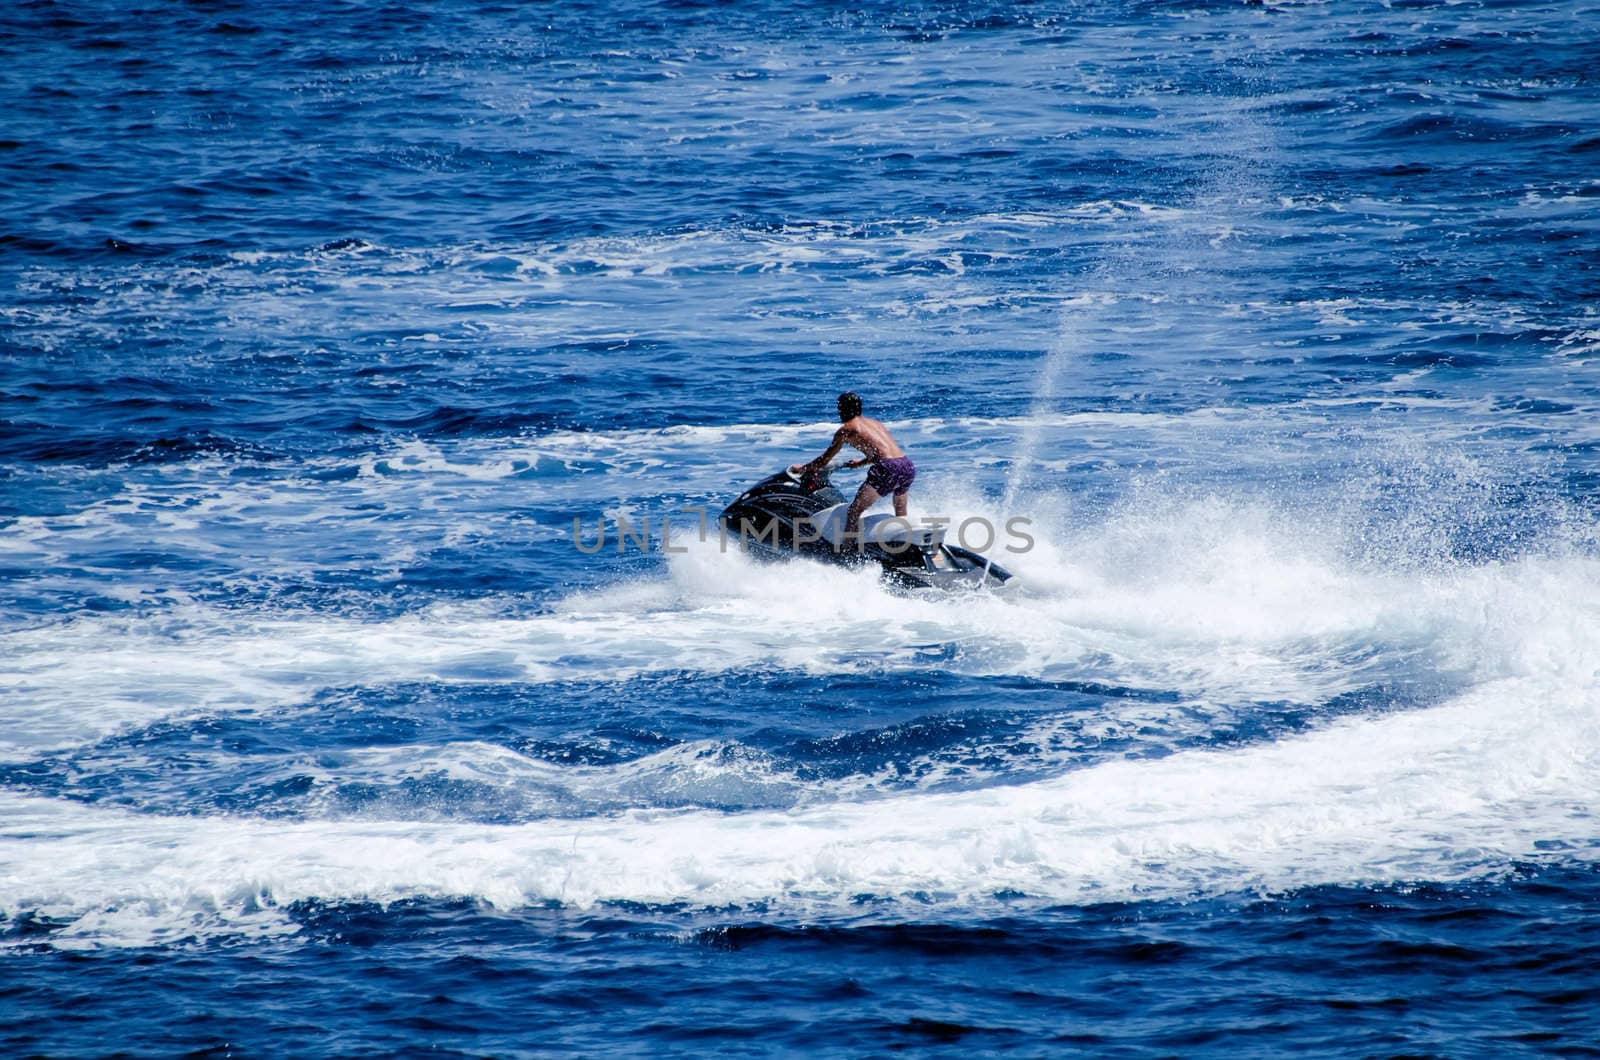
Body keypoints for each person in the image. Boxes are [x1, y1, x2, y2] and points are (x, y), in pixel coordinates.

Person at [790, 391, 916, 540]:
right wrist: (861, 463)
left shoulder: (846, 429)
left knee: (854, 511)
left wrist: (802, 468)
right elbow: (881, 454)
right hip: (907, 465)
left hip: (887, 468)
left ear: (842, 409)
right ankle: (907, 541)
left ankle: (848, 553)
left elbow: (824, 460)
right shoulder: (875, 424)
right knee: (900, 510)